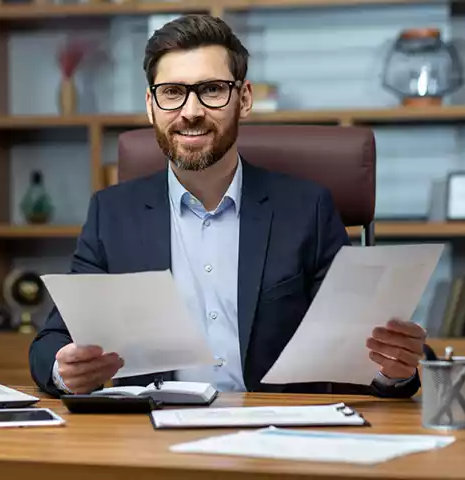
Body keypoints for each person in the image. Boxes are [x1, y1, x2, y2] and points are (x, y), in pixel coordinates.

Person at [29, 14, 425, 398]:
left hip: (277, 435)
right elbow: (53, 341)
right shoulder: (111, 214)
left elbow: (365, 345)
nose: (191, 111)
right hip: (153, 438)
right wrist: (64, 370)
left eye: (212, 89)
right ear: (151, 105)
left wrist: (393, 370)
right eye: (172, 92)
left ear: (244, 98)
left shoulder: (307, 210)